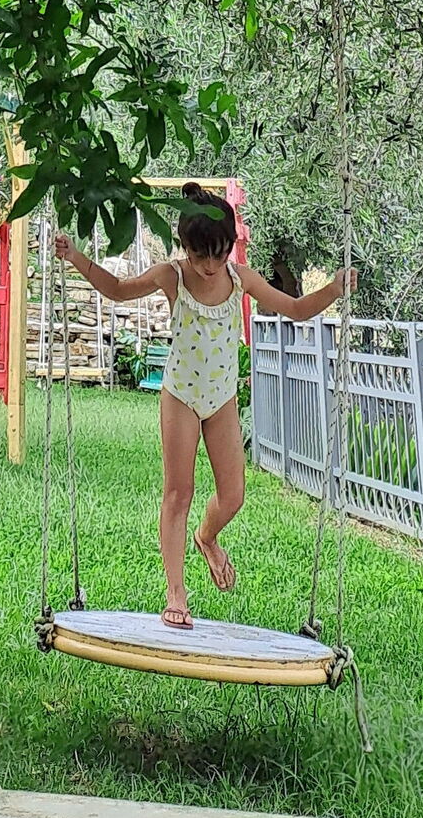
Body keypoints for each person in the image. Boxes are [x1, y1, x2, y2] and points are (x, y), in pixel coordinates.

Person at [53, 184, 354, 630]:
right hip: (181, 396)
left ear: (230, 246)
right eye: (200, 256)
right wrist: (76, 257)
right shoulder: (171, 276)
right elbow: (116, 289)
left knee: (233, 496)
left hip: (221, 398)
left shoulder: (240, 279)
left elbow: (294, 308)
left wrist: (334, 289)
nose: (210, 266)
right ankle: (176, 592)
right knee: (179, 492)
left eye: (219, 254)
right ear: (185, 247)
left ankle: (207, 537)